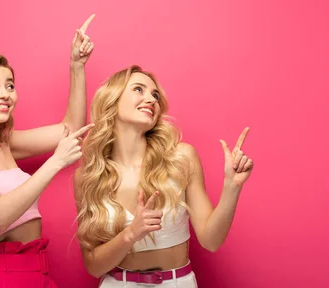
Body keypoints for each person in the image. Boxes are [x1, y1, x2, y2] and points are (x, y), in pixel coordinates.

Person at [0, 15, 96, 287]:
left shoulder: (4, 141)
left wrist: (77, 66)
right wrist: (55, 163)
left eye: (9, 85)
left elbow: (70, 128)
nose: (5, 94)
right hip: (3, 274)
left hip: (39, 270)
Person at [74, 65, 254, 287]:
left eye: (155, 94)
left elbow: (211, 241)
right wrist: (131, 234)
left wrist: (232, 187)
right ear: (112, 99)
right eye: (139, 89)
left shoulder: (181, 157)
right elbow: (93, 266)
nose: (151, 99)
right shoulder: (89, 176)